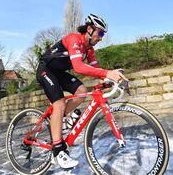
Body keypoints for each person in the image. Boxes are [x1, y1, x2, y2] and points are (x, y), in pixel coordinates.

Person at [36, 14, 126, 169]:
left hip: (59, 73)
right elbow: (78, 67)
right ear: (90, 29)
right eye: (101, 33)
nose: (102, 38)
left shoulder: (89, 49)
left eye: (104, 34)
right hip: (46, 70)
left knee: (82, 91)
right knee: (59, 103)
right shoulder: (74, 39)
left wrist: (109, 78)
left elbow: (96, 69)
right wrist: (106, 73)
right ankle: (57, 151)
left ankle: (60, 122)